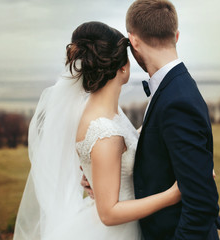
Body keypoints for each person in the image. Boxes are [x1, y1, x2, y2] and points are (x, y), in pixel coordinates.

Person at [13, 21, 181, 240]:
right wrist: (173, 194)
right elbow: (109, 214)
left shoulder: (102, 112)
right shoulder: (104, 132)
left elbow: (124, 145)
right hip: (118, 232)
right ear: (123, 67)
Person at [83, 0, 220, 239]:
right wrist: (104, 175)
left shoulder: (178, 100)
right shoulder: (170, 88)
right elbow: (157, 150)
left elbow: (201, 205)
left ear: (134, 41)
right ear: (176, 36)